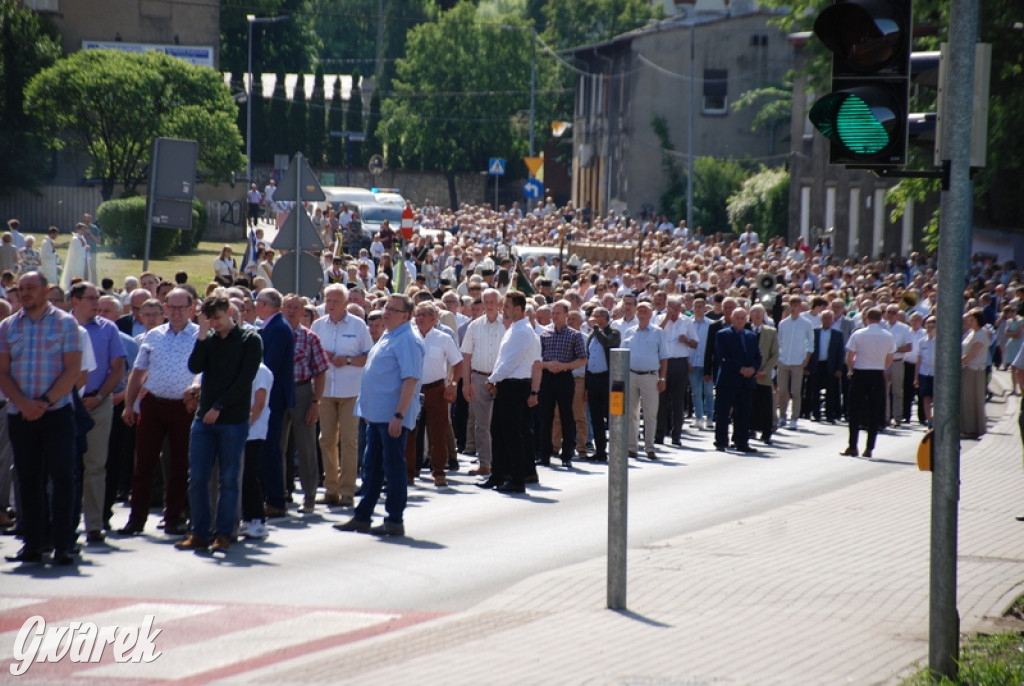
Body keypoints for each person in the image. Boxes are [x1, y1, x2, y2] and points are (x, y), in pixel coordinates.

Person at [0, 271, 83, 565]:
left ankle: (64, 544)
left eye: (31, 288)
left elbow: (72, 370)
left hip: (57, 413)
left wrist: (44, 402)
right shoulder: (7, 327)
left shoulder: (65, 323)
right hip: (20, 414)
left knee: (62, 478)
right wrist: (23, 404)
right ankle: (33, 544)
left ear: (47, 291)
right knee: (28, 480)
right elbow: (3, 372)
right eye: (20, 288)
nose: (24, 293)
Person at [175, 295, 262, 552]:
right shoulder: (209, 339)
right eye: (210, 319)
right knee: (198, 477)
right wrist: (201, 334)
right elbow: (194, 366)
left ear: (230, 312)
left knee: (228, 478)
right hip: (204, 421)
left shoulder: (250, 340)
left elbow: (244, 380)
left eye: (218, 318)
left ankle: (224, 532)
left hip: (232, 420)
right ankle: (199, 532)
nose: (215, 323)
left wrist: (218, 406)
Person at [335, 293, 424, 536]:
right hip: (376, 415)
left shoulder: (407, 339)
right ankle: (363, 516)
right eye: (386, 307)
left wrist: (399, 415)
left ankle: (394, 520)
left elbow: (411, 379)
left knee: (393, 468)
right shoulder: (389, 334)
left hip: (391, 416)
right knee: (371, 467)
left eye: (393, 310)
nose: (386, 312)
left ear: (406, 316)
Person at [118, 288, 199, 536]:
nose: (175, 313)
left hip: (183, 406)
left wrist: (197, 390)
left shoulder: (200, 336)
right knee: (144, 463)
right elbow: (138, 373)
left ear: (191, 308)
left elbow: (206, 369)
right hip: (153, 404)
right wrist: (129, 405)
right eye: (171, 308)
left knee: (178, 465)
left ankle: (173, 516)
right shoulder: (153, 335)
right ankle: (136, 518)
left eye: (180, 307)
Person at [69, 281, 126, 543]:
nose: (96, 303)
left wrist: (102, 395)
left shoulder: (108, 329)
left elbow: (117, 367)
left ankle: (93, 523)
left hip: (99, 403)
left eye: (98, 297)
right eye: (90, 298)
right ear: (75, 301)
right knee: (65, 465)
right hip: (65, 403)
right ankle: (65, 521)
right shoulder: (62, 327)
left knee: (95, 464)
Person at [311, 284, 373, 508]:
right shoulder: (318, 325)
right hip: (325, 390)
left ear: (346, 303)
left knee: (349, 441)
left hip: (350, 391)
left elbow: (368, 357)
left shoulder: (358, 326)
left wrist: (345, 360)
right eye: (328, 300)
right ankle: (331, 489)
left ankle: (347, 490)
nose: (331, 305)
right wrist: (322, 356)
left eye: (336, 301)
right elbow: (311, 357)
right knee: (326, 440)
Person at [478, 291, 541, 493]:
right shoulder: (514, 329)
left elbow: (511, 361)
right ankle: (498, 475)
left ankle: (516, 479)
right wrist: (496, 378)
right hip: (507, 384)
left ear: (518, 309)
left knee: (512, 434)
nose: (502, 309)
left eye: (506, 306)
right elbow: (502, 359)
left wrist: (492, 379)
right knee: (499, 431)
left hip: (516, 385)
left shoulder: (523, 331)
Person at [279, 294, 329, 513]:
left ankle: (309, 497)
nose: (291, 311)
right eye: (288, 307)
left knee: (307, 447)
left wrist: (316, 403)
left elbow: (321, 373)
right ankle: (277, 497)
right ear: (281, 309)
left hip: (302, 392)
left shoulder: (311, 338)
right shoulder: (272, 335)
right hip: (277, 393)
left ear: (303, 312)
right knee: (276, 448)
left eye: (296, 308)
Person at [406, 301, 462, 487]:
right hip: (413, 390)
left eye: (423, 315)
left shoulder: (443, 337)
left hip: (437, 389)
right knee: (411, 433)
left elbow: (458, 363)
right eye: (417, 315)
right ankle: (409, 473)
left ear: (434, 318)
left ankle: (439, 472)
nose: (419, 319)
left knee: (438, 432)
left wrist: (453, 384)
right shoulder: (409, 336)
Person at [254, 288, 295, 518]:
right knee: (266, 450)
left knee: (270, 450)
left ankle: (277, 500)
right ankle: (269, 496)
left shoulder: (278, 328)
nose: (255, 306)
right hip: (270, 397)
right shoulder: (273, 326)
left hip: (273, 398)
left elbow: (270, 364)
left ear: (265, 305)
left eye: (258, 302)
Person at [537, 300, 587, 468]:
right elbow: (537, 359)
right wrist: (547, 365)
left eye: (558, 313)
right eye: (553, 313)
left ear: (567, 315)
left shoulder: (574, 335)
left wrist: (565, 366)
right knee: (545, 416)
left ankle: (567, 454)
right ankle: (544, 453)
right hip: (547, 377)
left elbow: (583, 359)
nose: (555, 316)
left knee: (566, 416)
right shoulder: (544, 334)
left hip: (565, 377)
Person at [460, 288, 505, 476]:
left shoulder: (508, 325)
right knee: (481, 424)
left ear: (499, 303)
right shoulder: (475, 326)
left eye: (492, 301)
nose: (488, 305)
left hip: (502, 379)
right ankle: (485, 463)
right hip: (479, 377)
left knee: (501, 423)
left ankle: (502, 463)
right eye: (485, 301)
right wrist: (466, 383)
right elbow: (467, 356)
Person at [841, 307, 896, 459]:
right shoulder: (888, 335)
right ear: (881, 319)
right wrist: (883, 367)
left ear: (866, 318)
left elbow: (850, 355)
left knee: (854, 411)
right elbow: (890, 358)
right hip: (877, 373)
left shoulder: (858, 334)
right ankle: (869, 448)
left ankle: (852, 445)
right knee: (874, 412)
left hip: (860, 372)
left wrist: (851, 368)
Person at [713, 306, 761, 453]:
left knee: (744, 413)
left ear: (746, 320)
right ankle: (721, 441)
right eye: (737, 318)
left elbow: (758, 356)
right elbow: (723, 357)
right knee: (723, 413)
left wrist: (752, 369)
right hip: (728, 379)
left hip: (746, 381)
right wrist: (740, 369)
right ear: (732, 319)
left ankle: (742, 442)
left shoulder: (751, 336)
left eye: (742, 318)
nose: (740, 321)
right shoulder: (722, 334)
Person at [623, 301, 668, 459]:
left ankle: (649, 447)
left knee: (650, 413)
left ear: (651, 314)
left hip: (650, 376)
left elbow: (664, 358)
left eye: (645, 311)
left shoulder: (658, 332)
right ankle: (631, 447)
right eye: (640, 310)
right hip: (631, 375)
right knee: (631, 414)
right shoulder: (629, 332)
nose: (642, 313)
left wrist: (662, 378)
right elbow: (622, 355)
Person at [656, 295, 695, 447]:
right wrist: (666, 318)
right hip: (662, 362)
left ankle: (676, 435)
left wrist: (687, 341)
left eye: (677, 309)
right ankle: (659, 434)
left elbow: (695, 344)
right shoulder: (659, 319)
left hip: (679, 363)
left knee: (678, 402)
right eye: (671, 309)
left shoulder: (687, 321)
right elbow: (654, 333)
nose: (674, 313)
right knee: (661, 401)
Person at [585, 306, 620, 461]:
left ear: (604, 318)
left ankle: (616, 449)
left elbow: (608, 343)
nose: (593, 318)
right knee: (596, 417)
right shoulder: (592, 335)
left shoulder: (613, 332)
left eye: (596, 316)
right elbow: (588, 359)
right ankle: (600, 451)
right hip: (593, 380)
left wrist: (597, 329)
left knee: (610, 417)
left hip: (607, 379)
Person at [777, 296, 814, 431]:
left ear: (800, 307)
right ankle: (782, 416)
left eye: (796, 305)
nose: (793, 308)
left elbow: (810, 343)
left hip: (798, 361)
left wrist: (807, 358)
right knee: (782, 390)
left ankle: (794, 418)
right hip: (783, 360)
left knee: (796, 391)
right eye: (791, 305)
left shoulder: (806, 323)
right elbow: (779, 341)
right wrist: (779, 357)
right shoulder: (783, 323)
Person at [749, 304, 778, 445]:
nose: (757, 315)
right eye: (754, 312)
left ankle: (767, 433)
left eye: (760, 312)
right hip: (748, 375)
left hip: (764, 375)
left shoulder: (771, 332)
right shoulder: (746, 329)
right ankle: (750, 429)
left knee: (766, 404)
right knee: (749, 403)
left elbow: (775, 354)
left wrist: (764, 370)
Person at [960, 307, 989, 439]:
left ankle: (972, 429)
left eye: (972, 319)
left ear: (978, 320)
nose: (969, 322)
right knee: (966, 399)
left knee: (972, 399)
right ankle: (967, 427)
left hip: (975, 370)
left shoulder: (981, 334)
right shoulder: (972, 333)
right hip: (968, 369)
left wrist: (959, 362)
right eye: (968, 319)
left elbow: (973, 353)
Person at [60, 223, 89, 292]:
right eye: (82, 230)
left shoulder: (82, 238)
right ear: (78, 230)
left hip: (81, 260)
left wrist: (85, 249)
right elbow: (76, 251)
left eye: (85, 230)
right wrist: (85, 248)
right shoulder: (75, 239)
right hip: (75, 261)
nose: (84, 231)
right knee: (76, 273)